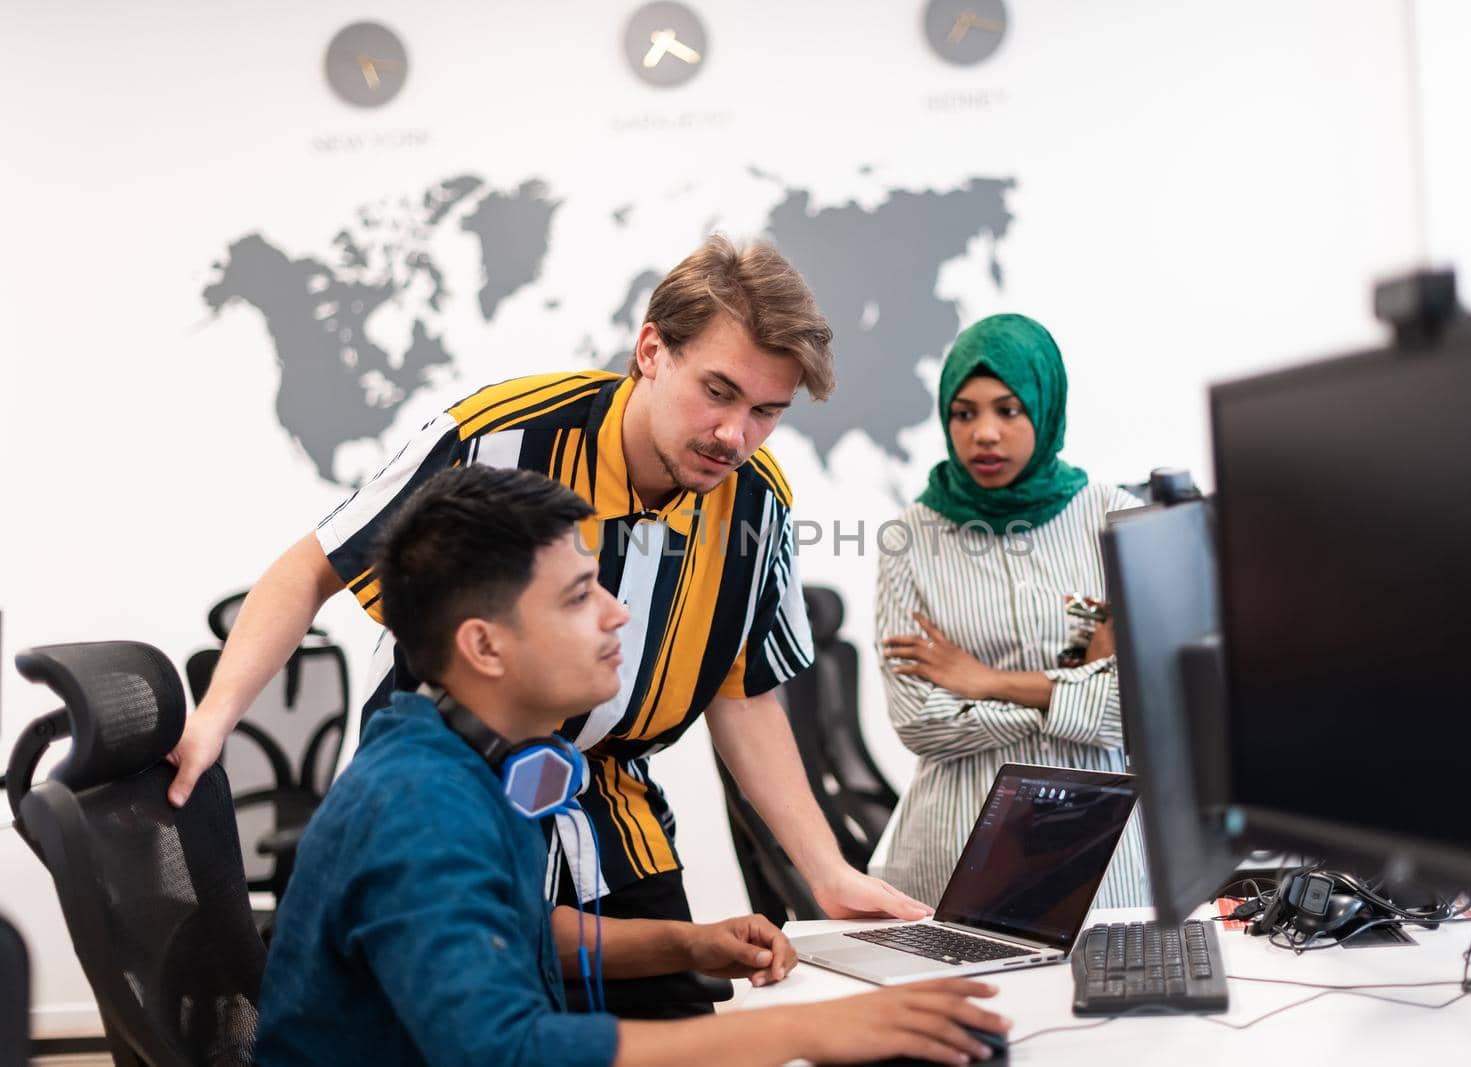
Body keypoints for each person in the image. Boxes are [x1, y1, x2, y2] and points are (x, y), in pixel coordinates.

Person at [169, 235, 928, 1011]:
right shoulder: (498, 439)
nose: (735, 435)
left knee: (682, 1016)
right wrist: (212, 723)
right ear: (652, 351)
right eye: (718, 391)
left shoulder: (756, 498)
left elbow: (741, 690)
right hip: (463, 796)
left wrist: (827, 872)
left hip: (611, 816)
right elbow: (312, 567)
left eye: (766, 411)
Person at [252, 465, 1010, 1067]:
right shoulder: (421, 804)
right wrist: (809, 1030)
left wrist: (690, 943)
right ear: (485, 646)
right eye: (581, 595)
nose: (618, 613)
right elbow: (503, 1049)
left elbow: (515, 928)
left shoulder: (460, 760)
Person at [875, 313, 1150, 908]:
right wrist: (1075, 689)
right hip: (961, 843)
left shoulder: (1117, 520)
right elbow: (919, 721)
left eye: (1009, 409)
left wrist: (989, 681)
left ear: (1044, 407)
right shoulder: (910, 538)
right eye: (964, 413)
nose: (985, 434)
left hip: (1102, 850)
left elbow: (1146, 709)